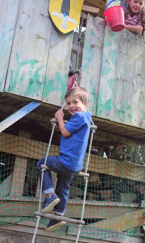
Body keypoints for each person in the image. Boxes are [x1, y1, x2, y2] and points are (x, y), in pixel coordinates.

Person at [37, 87, 92, 232]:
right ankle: (58, 215)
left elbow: (66, 132)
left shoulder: (79, 117)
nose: (71, 106)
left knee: (42, 163)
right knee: (63, 187)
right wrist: (59, 125)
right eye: (68, 103)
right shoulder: (86, 118)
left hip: (65, 161)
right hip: (74, 165)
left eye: (75, 102)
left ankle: (49, 195)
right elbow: (68, 131)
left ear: (85, 103)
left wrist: (60, 118)